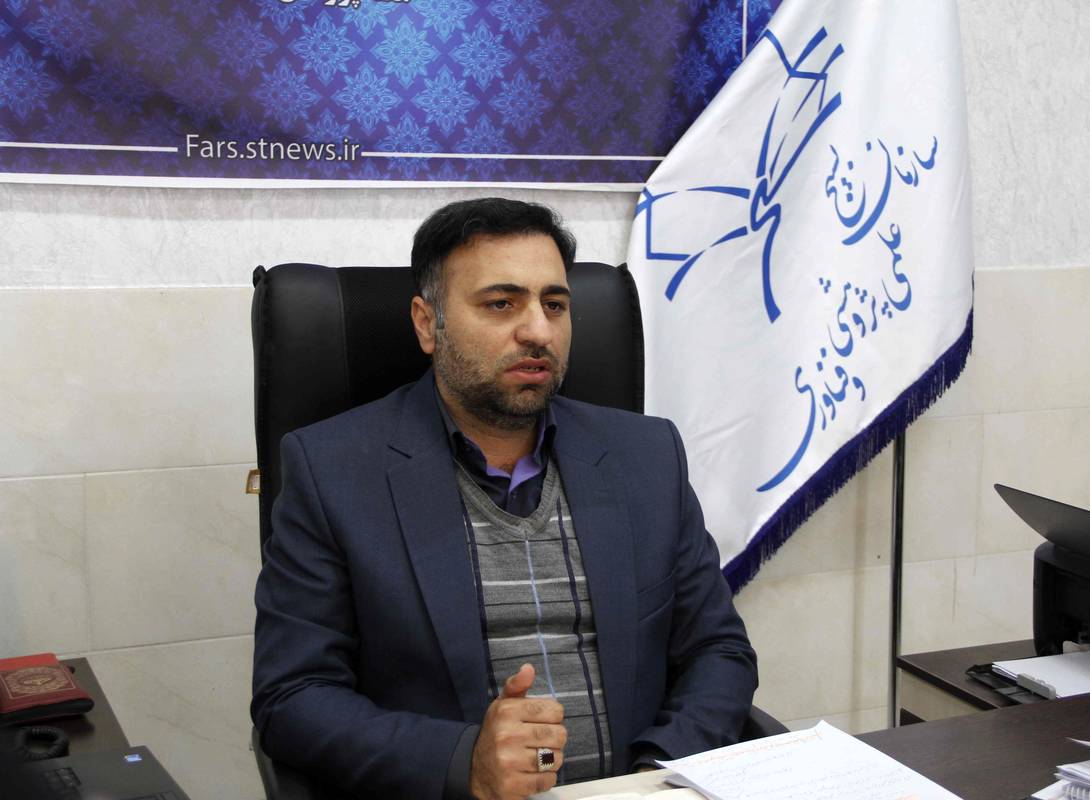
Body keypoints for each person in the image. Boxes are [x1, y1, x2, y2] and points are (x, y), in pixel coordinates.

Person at [251, 198, 757, 800]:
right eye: (502, 303)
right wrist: (461, 762)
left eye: (555, 305)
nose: (539, 331)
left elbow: (717, 650)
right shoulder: (332, 470)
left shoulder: (646, 456)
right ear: (426, 323)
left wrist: (657, 775)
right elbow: (292, 696)